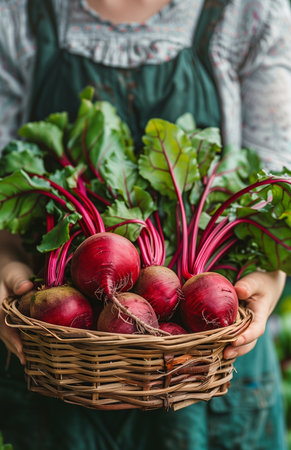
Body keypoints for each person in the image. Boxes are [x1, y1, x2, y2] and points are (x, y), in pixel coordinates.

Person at [0, 0, 290, 449]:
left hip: (209, 361)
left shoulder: (251, 10)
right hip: (54, 360)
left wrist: (269, 278)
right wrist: (3, 260)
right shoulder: (15, 12)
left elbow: (276, 176)